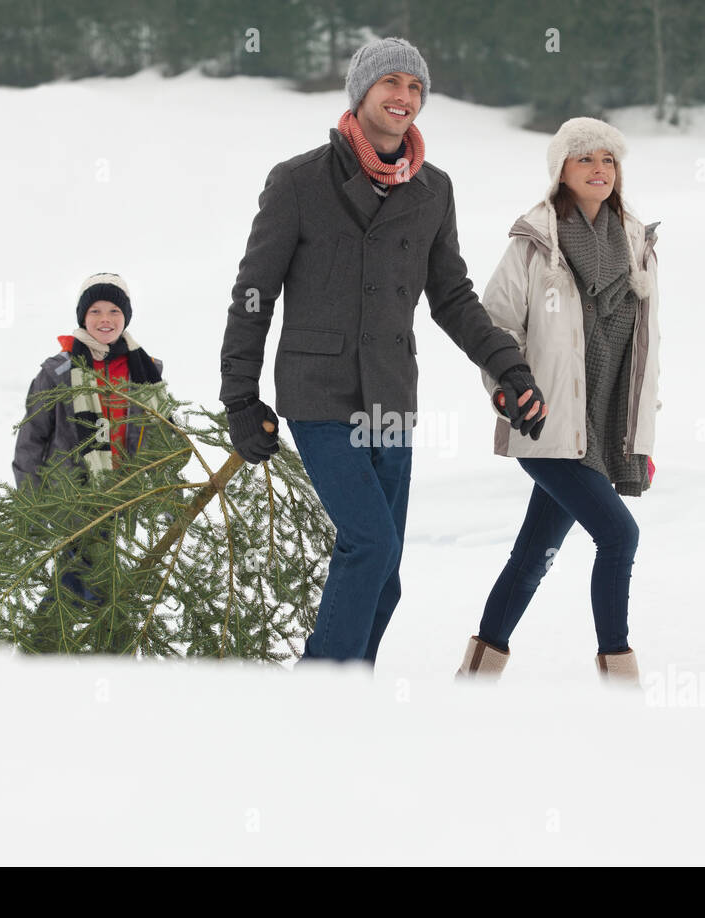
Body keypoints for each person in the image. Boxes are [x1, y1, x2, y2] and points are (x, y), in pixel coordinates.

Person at [220, 36, 548, 666]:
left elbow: (452, 297)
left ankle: (351, 700)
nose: (404, 97)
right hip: (320, 395)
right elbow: (253, 296)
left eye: (416, 87)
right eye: (391, 84)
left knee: (386, 568)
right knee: (369, 543)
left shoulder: (434, 190)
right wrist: (240, 396)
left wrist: (507, 366)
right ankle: (323, 692)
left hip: (391, 397)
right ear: (362, 92)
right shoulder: (298, 181)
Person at [454, 117, 663, 685]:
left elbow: (644, 357)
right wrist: (508, 389)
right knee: (620, 535)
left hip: (600, 430)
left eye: (608, 160)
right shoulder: (535, 244)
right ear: (561, 172)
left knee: (532, 557)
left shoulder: (637, 245)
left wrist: (638, 439)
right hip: (545, 425)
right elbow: (495, 327)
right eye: (585, 159)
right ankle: (620, 679)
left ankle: (476, 674)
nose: (600, 169)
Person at [12, 273, 164, 603]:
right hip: (73, 496)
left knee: (81, 579)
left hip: (123, 493)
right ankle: (82, 640)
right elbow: (31, 440)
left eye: (114, 311)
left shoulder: (145, 369)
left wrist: (164, 481)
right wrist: (32, 501)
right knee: (88, 577)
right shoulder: (58, 372)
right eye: (95, 311)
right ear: (83, 316)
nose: (105, 320)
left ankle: (52, 642)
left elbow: (163, 431)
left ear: (126, 316)